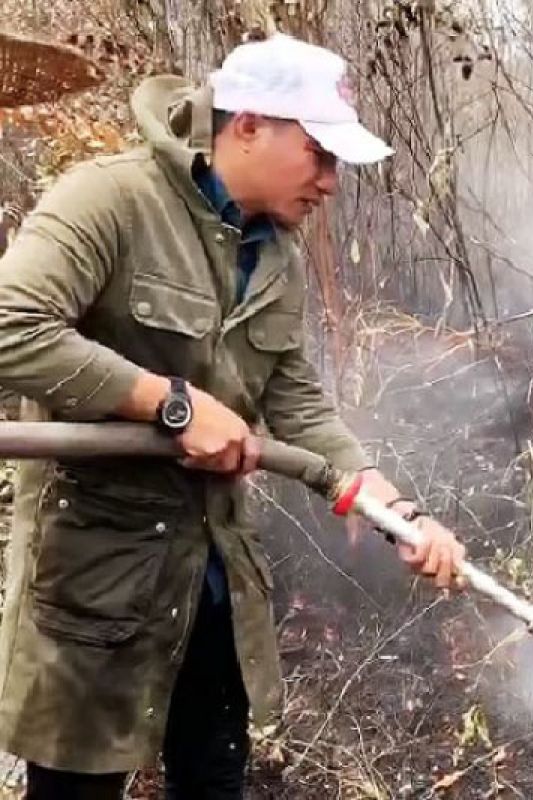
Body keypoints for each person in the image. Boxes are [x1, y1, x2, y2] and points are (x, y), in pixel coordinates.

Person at [0, 33, 467, 799]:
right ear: (248, 123)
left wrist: (391, 506)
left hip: (212, 579)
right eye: (320, 155)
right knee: (78, 788)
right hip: (97, 588)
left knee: (214, 776)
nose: (331, 182)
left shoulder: (274, 252)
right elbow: (11, 327)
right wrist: (172, 404)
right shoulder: (111, 200)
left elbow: (294, 397)